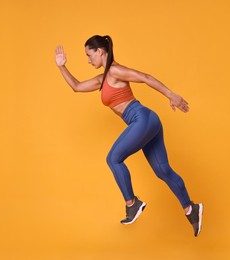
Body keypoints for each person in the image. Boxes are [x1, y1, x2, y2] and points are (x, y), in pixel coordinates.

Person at [55, 35, 203, 237]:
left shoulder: (115, 70)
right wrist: (62, 67)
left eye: (89, 55)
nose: (88, 60)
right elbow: (77, 87)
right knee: (162, 171)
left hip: (141, 118)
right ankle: (190, 209)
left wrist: (171, 95)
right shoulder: (102, 79)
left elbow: (145, 77)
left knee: (113, 159)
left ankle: (132, 203)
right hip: (148, 121)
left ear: (100, 51)